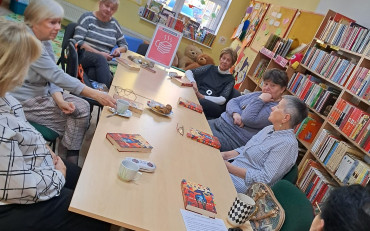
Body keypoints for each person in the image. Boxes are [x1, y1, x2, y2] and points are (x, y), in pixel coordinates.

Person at [0, 19, 110, 231]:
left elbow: (23, 130)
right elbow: (20, 187)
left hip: (28, 167)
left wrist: (45, 151)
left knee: (86, 181)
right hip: (12, 201)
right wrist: (58, 176)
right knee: (92, 212)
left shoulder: (8, 98)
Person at [10, 0, 116, 165]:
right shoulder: (30, 42)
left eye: (59, 22)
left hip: (41, 94)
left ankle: (64, 159)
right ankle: (66, 162)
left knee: (81, 109)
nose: (59, 27)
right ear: (36, 20)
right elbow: (56, 74)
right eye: (52, 22)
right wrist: (95, 93)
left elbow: (52, 75)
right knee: (79, 115)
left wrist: (59, 99)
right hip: (23, 101)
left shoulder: (43, 40)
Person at [221, 95, 308, 193]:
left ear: (285, 118)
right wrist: (224, 155)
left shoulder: (287, 145)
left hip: (243, 186)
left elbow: (264, 179)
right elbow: (245, 149)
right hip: (230, 170)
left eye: (278, 107)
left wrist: (229, 167)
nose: (272, 108)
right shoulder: (269, 129)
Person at [209, 68, 288, 151]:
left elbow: (247, 119)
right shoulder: (258, 94)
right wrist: (236, 113)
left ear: (282, 89)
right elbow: (233, 101)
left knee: (199, 137)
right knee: (195, 125)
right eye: (266, 84)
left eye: (272, 86)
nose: (267, 88)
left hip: (232, 138)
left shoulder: (275, 109)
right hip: (219, 122)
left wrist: (260, 100)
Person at [73, 0, 128, 88]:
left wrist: (118, 50)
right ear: (100, 3)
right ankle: (106, 95)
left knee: (93, 73)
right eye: (107, 6)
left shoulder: (114, 24)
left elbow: (124, 45)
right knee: (100, 59)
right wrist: (100, 54)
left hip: (100, 64)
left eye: (112, 9)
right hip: (82, 56)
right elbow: (78, 41)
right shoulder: (87, 17)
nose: (109, 10)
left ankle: (96, 95)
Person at [185, 47, 237, 119]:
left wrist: (203, 97)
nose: (224, 61)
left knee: (201, 102)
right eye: (223, 58)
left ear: (231, 64)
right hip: (198, 94)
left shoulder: (230, 79)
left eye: (228, 60)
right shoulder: (210, 68)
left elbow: (222, 100)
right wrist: (193, 82)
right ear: (220, 58)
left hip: (213, 104)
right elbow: (189, 72)